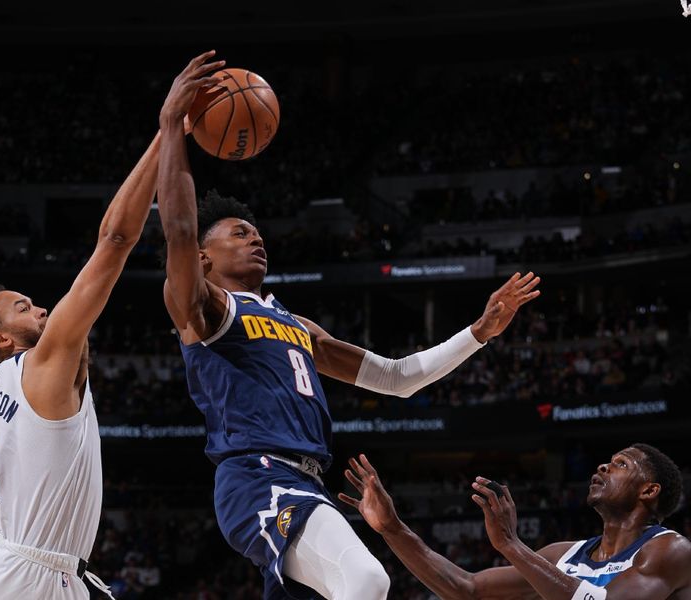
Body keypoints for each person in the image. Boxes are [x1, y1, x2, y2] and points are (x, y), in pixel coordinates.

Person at [157, 50, 542, 600]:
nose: (256, 237)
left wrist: (479, 331)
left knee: (361, 585)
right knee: (365, 580)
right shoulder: (205, 308)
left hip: (305, 479)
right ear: (203, 258)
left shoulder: (294, 322)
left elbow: (397, 377)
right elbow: (176, 228)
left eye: (257, 231)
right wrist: (173, 126)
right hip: (256, 476)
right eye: (239, 233)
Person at [0, 58, 210, 598]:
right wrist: (168, 132)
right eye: (23, 308)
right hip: (31, 578)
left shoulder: (7, 386)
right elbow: (115, 241)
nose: (41, 309)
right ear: (0, 339)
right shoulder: (41, 364)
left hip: (40, 571)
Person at [339, 444, 691, 600]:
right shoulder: (564, 556)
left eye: (621, 464)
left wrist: (512, 546)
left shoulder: (670, 550)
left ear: (649, 491)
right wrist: (392, 528)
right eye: (607, 462)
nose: (603, 467)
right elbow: (466, 588)